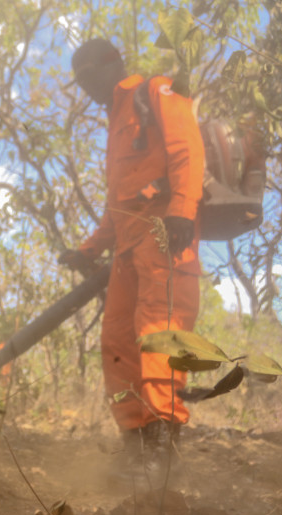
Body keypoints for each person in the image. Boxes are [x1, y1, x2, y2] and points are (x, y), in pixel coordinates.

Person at [59, 38, 205, 472]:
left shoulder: (155, 91)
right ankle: (136, 442)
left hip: (165, 233)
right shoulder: (115, 121)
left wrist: (181, 210)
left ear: (113, 64)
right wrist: (89, 249)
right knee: (117, 342)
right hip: (127, 249)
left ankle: (164, 441)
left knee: (160, 331)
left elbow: (187, 150)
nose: (86, 89)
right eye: (80, 83)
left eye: (89, 77)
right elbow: (117, 203)